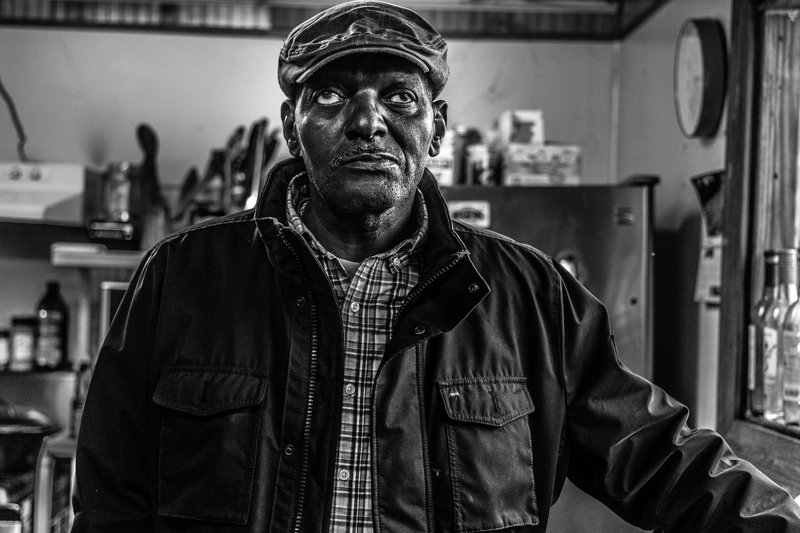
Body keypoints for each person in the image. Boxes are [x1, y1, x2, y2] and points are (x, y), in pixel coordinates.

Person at [72, 1, 800, 531]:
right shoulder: (180, 278)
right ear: (292, 123)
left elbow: (660, 456)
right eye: (330, 94)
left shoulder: (529, 296)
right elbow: (108, 500)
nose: (367, 120)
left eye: (398, 96)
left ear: (438, 128)